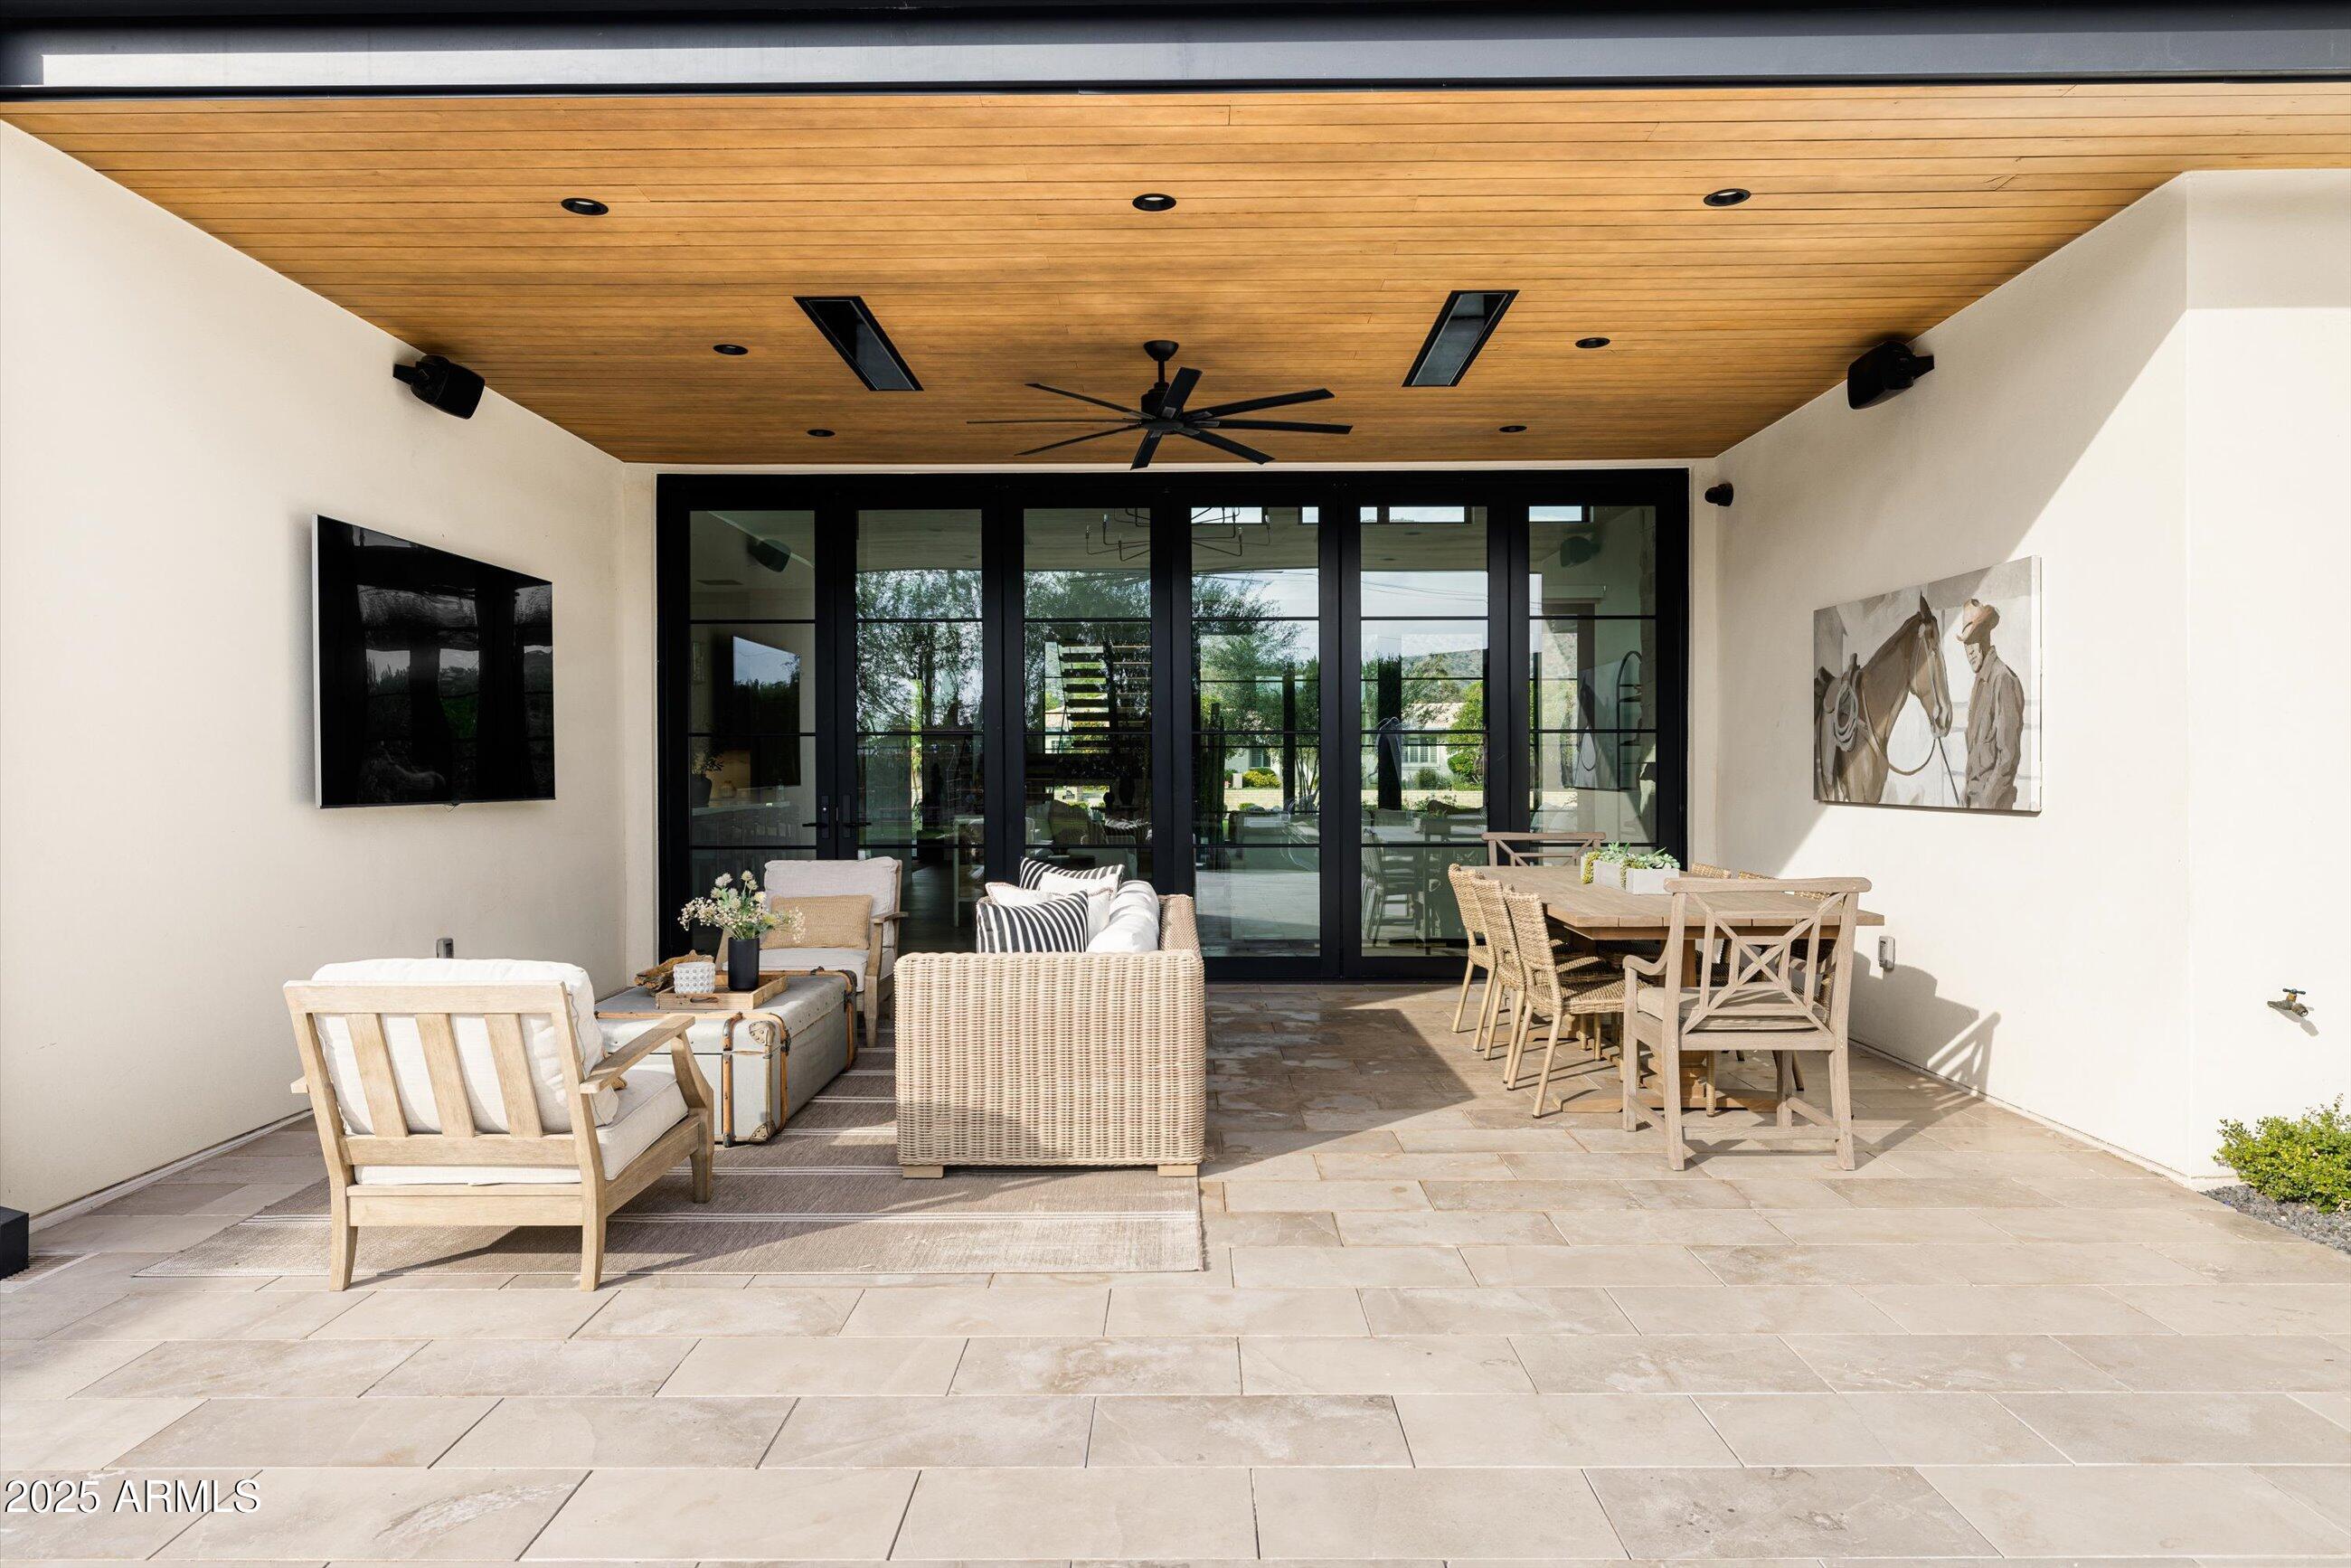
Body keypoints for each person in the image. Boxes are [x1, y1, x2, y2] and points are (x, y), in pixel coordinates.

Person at [1958, 598, 2025, 809]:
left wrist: (1985, 802)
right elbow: (1975, 754)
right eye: (1966, 644)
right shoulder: (1980, 684)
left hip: (1994, 807)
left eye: (1974, 640)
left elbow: (2008, 758)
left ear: (1986, 637)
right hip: (1973, 803)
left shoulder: (2003, 680)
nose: (1969, 651)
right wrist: (1965, 794)